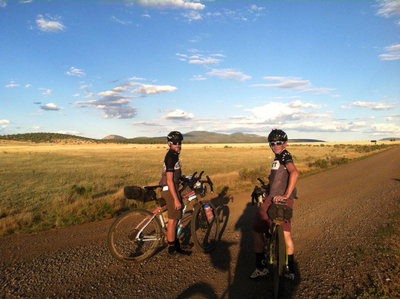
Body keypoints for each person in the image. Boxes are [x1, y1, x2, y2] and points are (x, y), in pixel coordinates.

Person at [250, 129, 299, 280]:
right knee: (286, 234)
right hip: (277, 197)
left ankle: (260, 267)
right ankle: (290, 270)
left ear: (285, 143)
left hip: (278, 199)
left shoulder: (285, 155)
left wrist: (285, 195)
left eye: (279, 142)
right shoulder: (278, 157)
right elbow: (280, 178)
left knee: (257, 229)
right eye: (272, 143)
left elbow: (294, 173)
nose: (275, 145)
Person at [159, 131, 190, 256]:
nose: (178, 145)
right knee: (173, 220)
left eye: (180, 142)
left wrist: (183, 177)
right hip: (169, 189)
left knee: (176, 217)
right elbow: (170, 180)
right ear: (169, 143)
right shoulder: (171, 156)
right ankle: (172, 249)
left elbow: (174, 175)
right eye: (175, 143)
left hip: (171, 187)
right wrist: (176, 199)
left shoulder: (174, 155)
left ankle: (176, 243)